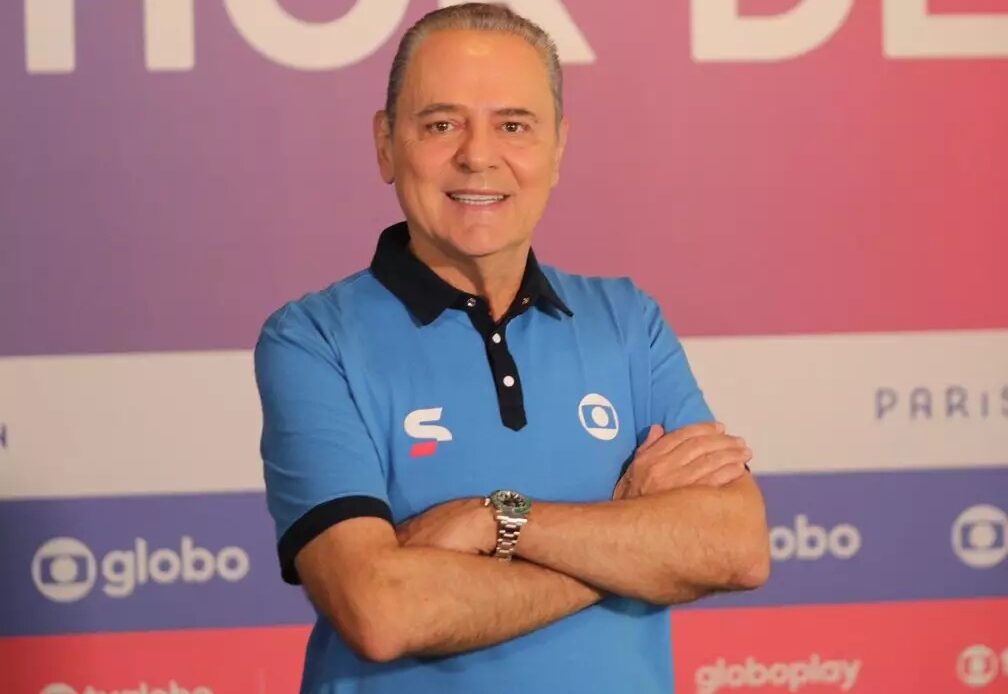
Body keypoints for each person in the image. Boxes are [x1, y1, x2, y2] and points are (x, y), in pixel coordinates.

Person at [253, 4, 770, 692]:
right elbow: (381, 609)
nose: (478, 155)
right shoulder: (312, 340)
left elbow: (736, 546)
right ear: (385, 144)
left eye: (514, 126)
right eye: (441, 125)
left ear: (557, 150)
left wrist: (496, 520)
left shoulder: (628, 322)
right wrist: (625, 544)